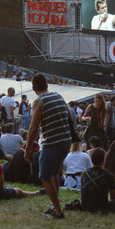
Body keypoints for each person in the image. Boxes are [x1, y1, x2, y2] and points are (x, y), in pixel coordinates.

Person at [25, 73, 72, 219]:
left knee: (44, 176)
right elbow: (70, 117)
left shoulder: (39, 101)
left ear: (33, 88)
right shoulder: (58, 96)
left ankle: (58, 212)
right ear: (47, 84)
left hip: (52, 143)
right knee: (54, 173)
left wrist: (27, 149)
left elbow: (33, 128)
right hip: (66, 140)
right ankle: (53, 206)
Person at [80, 147, 115, 214]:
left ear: (91, 159)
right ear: (104, 160)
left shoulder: (84, 173)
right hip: (102, 207)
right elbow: (113, 197)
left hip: (85, 206)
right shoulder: (109, 176)